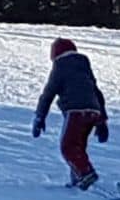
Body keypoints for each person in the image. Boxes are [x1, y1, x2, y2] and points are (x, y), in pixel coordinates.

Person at [32, 37, 109, 189]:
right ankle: (78, 181)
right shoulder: (83, 66)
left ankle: (86, 174)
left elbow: (48, 94)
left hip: (75, 111)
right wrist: (102, 120)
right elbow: (96, 92)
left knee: (67, 147)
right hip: (93, 111)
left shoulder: (60, 66)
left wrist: (39, 117)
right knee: (78, 147)